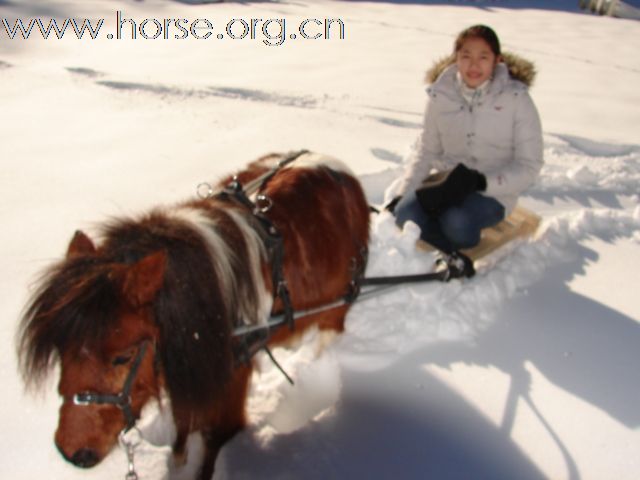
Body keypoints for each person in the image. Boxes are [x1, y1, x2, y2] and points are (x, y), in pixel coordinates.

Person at [385, 24, 543, 276]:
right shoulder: (441, 95)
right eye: (466, 56)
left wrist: (482, 182)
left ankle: (451, 244)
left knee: (456, 222)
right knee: (404, 215)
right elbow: (427, 151)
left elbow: (529, 165)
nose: (473, 65)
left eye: (483, 57)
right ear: (456, 58)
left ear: (497, 60)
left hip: (492, 191)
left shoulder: (516, 99)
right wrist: (403, 193)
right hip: (445, 183)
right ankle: (447, 250)